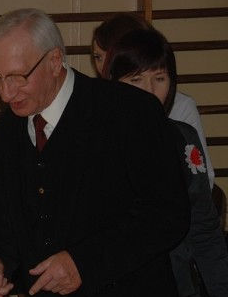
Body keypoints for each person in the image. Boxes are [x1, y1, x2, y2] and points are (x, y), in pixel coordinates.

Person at [0, 8, 193, 297]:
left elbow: (167, 214)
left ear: (55, 60)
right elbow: (2, 212)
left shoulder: (129, 112)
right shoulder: (6, 132)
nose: (6, 93)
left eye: (18, 77)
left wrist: (84, 263)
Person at [103, 28, 228, 297]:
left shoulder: (184, 138)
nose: (149, 90)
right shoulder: (94, 143)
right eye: (135, 79)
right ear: (111, 83)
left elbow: (206, 231)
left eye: (160, 78)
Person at [92, 12, 214, 186]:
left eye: (159, 78)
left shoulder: (180, 113)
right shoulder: (92, 107)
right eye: (98, 57)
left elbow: (202, 183)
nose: (104, 66)